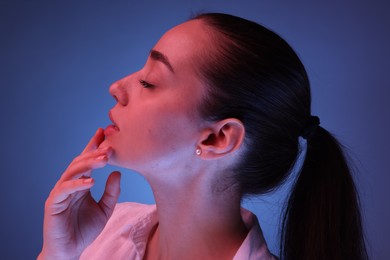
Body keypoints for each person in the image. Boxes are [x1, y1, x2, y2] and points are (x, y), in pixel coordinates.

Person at [38, 13, 368, 260]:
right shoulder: (105, 232)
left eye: (150, 81)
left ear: (217, 139)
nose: (117, 88)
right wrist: (59, 254)